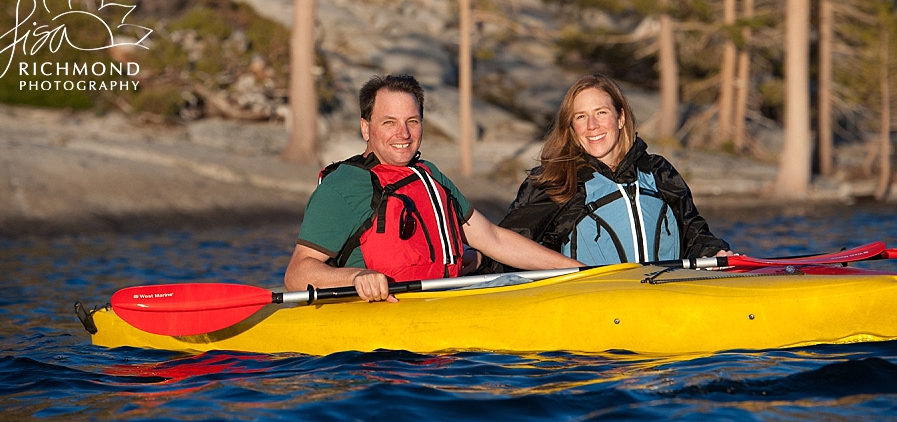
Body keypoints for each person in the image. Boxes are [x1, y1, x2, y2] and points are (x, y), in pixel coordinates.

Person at [284, 74, 581, 302]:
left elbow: (493, 240)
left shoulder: (430, 176)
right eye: (389, 122)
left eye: (412, 121)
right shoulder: (342, 188)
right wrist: (357, 276)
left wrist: (577, 272)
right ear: (366, 128)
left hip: (441, 305)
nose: (404, 133)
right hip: (378, 337)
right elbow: (296, 274)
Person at [488, 74, 731, 268]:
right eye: (581, 117)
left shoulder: (658, 172)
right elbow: (506, 242)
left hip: (664, 303)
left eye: (601, 113)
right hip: (596, 309)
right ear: (572, 128)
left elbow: (694, 234)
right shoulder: (560, 180)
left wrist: (714, 253)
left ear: (620, 118)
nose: (592, 126)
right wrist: (478, 262)